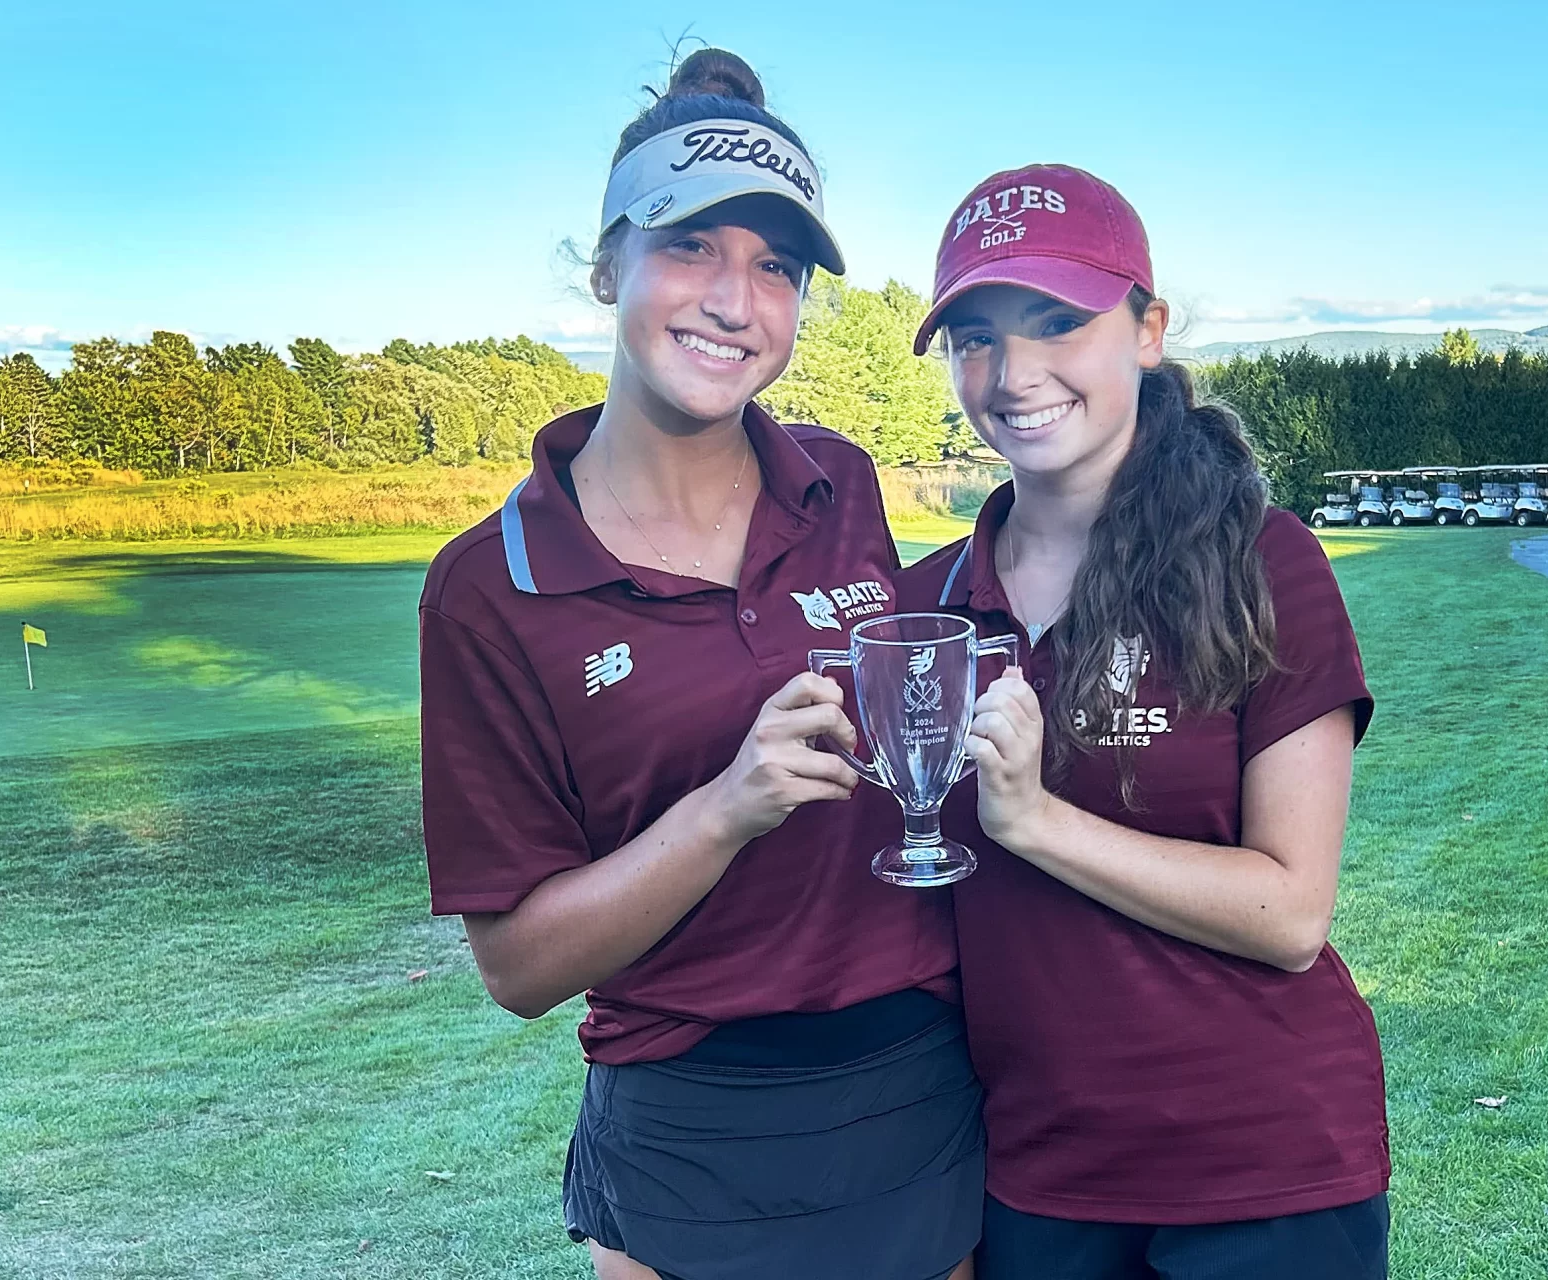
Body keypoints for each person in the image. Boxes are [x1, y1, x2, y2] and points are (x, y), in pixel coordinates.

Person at [417, 49, 981, 1280]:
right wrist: (729, 805)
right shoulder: (490, 582)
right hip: (688, 1120)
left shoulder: (842, 485)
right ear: (607, 260)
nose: (736, 299)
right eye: (691, 246)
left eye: (774, 266)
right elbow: (518, 967)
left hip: (918, 1089)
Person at [900, 164, 1390, 1279]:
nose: (1011, 374)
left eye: (1057, 322)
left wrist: (1031, 820)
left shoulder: (1263, 564)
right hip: (1032, 1177)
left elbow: (1288, 911)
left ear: (1145, 328)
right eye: (973, 336)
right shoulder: (923, 609)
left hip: (1262, 1173)